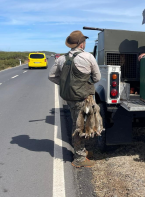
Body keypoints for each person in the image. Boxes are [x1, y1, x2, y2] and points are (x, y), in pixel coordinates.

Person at [48, 30, 101, 168]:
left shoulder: (61, 59)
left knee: (80, 123)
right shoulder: (88, 57)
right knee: (80, 126)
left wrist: (66, 83)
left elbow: (52, 76)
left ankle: (82, 151)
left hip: (69, 97)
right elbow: (97, 78)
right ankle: (79, 158)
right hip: (82, 98)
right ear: (81, 44)